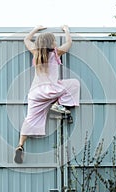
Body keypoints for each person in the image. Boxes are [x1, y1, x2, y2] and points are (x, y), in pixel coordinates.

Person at [14, 25, 80, 164]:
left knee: (30, 119)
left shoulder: (36, 53)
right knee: (74, 84)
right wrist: (66, 31)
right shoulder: (56, 53)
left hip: (36, 93)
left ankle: (20, 145)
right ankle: (57, 105)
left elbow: (26, 39)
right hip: (52, 90)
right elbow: (69, 43)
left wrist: (35, 29)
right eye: (54, 41)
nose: (56, 43)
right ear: (51, 44)